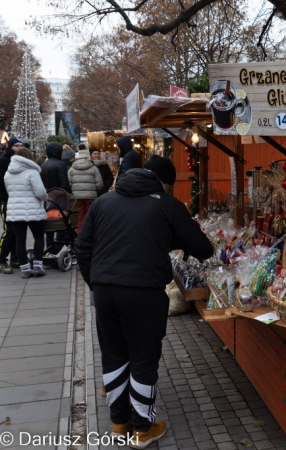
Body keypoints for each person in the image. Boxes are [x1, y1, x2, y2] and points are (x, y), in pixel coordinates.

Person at [75, 156, 213, 449]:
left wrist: (97, 282)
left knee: (114, 354)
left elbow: (82, 248)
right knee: (143, 357)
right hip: (143, 292)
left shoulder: (103, 203)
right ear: (162, 183)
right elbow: (202, 247)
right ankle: (142, 428)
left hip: (105, 291)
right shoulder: (165, 204)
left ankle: (119, 422)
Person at [4, 147, 47, 278]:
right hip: (33, 208)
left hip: (15, 209)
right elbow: (40, 192)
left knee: (20, 240)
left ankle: (25, 269)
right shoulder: (32, 172)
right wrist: (45, 198)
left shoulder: (8, 173)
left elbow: (9, 192)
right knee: (39, 237)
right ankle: (38, 266)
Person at [0, 137, 23, 274]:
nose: (19, 147)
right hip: (6, 199)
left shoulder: (19, 160)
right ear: (10, 146)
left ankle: (15, 258)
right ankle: (2, 259)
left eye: (21, 145)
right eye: (16, 145)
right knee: (9, 230)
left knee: (17, 230)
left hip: (17, 199)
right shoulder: (3, 160)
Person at [68, 149, 103, 231]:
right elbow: (100, 185)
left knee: (80, 218)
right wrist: (96, 192)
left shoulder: (72, 169)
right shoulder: (94, 168)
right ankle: (90, 235)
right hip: (91, 197)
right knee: (91, 218)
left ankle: (80, 235)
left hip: (77, 197)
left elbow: (68, 184)